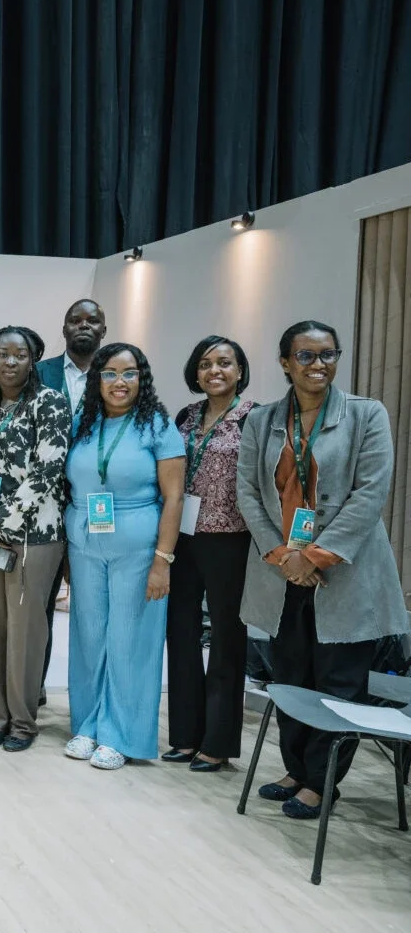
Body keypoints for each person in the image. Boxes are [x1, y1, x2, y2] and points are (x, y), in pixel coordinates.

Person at [239, 321, 407, 819]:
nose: (318, 365)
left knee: (339, 682)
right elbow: (248, 493)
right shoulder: (263, 420)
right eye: (306, 356)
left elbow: (371, 493)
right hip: (281, 572)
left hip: (346, 573)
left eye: (327, 355)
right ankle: (295, 768)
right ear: (285, 363)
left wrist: (312, 557)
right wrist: (282, 555)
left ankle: (321, 781)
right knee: (290, 676)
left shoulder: (366, 414)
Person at [63, 343, 185, 770]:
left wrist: (162, 561)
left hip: (138, 547)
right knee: (89, 636)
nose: (120, 382)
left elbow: (174, 499)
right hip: (84, 544)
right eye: (111, 373)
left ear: (142, 378)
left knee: (130, 640)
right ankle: (89, 725)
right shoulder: (84, 422)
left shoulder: (158, 425)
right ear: (97, 379)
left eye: (129, 373)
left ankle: (123, 734)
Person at [0, 326, 70, 752]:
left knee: (25, 632)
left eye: (19, 354)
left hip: (34, 536)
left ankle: (22, 722)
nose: (10, 361)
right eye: (2, 353)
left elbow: (47, 472)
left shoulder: (50, 403)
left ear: (32, 360)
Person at [164, 336, 256, 772]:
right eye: (205, 363)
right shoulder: (186, 415)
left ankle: (217, 742)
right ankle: (184, 735)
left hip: (230, 540)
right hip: (183, 538)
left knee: (225, 640)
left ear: (239, 371)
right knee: (180, 635)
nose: (213, 371)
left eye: (224, 363)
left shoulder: (253, 419)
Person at [34, 299, 108, 683]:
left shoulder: (116, 374)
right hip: (43, 501)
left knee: (93, 603)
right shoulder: (40, 372)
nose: (83, 326)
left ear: (103, 330)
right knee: (40, 604)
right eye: (75, 320)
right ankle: (35, 689)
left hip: (96, 503)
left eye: (92, 320)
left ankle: (90, 689)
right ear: (63, 329)